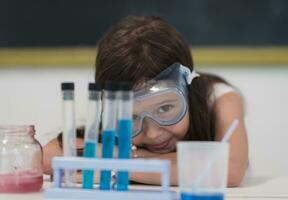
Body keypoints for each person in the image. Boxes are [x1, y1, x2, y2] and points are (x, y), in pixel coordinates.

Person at [43, 15, 248, 187]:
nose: (153, 133)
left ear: (187, 88)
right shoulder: (114, 126)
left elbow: (230, 170)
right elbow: (47, 156)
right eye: (131, 117)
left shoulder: (220, 98)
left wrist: (116, 165)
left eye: (165, 108)